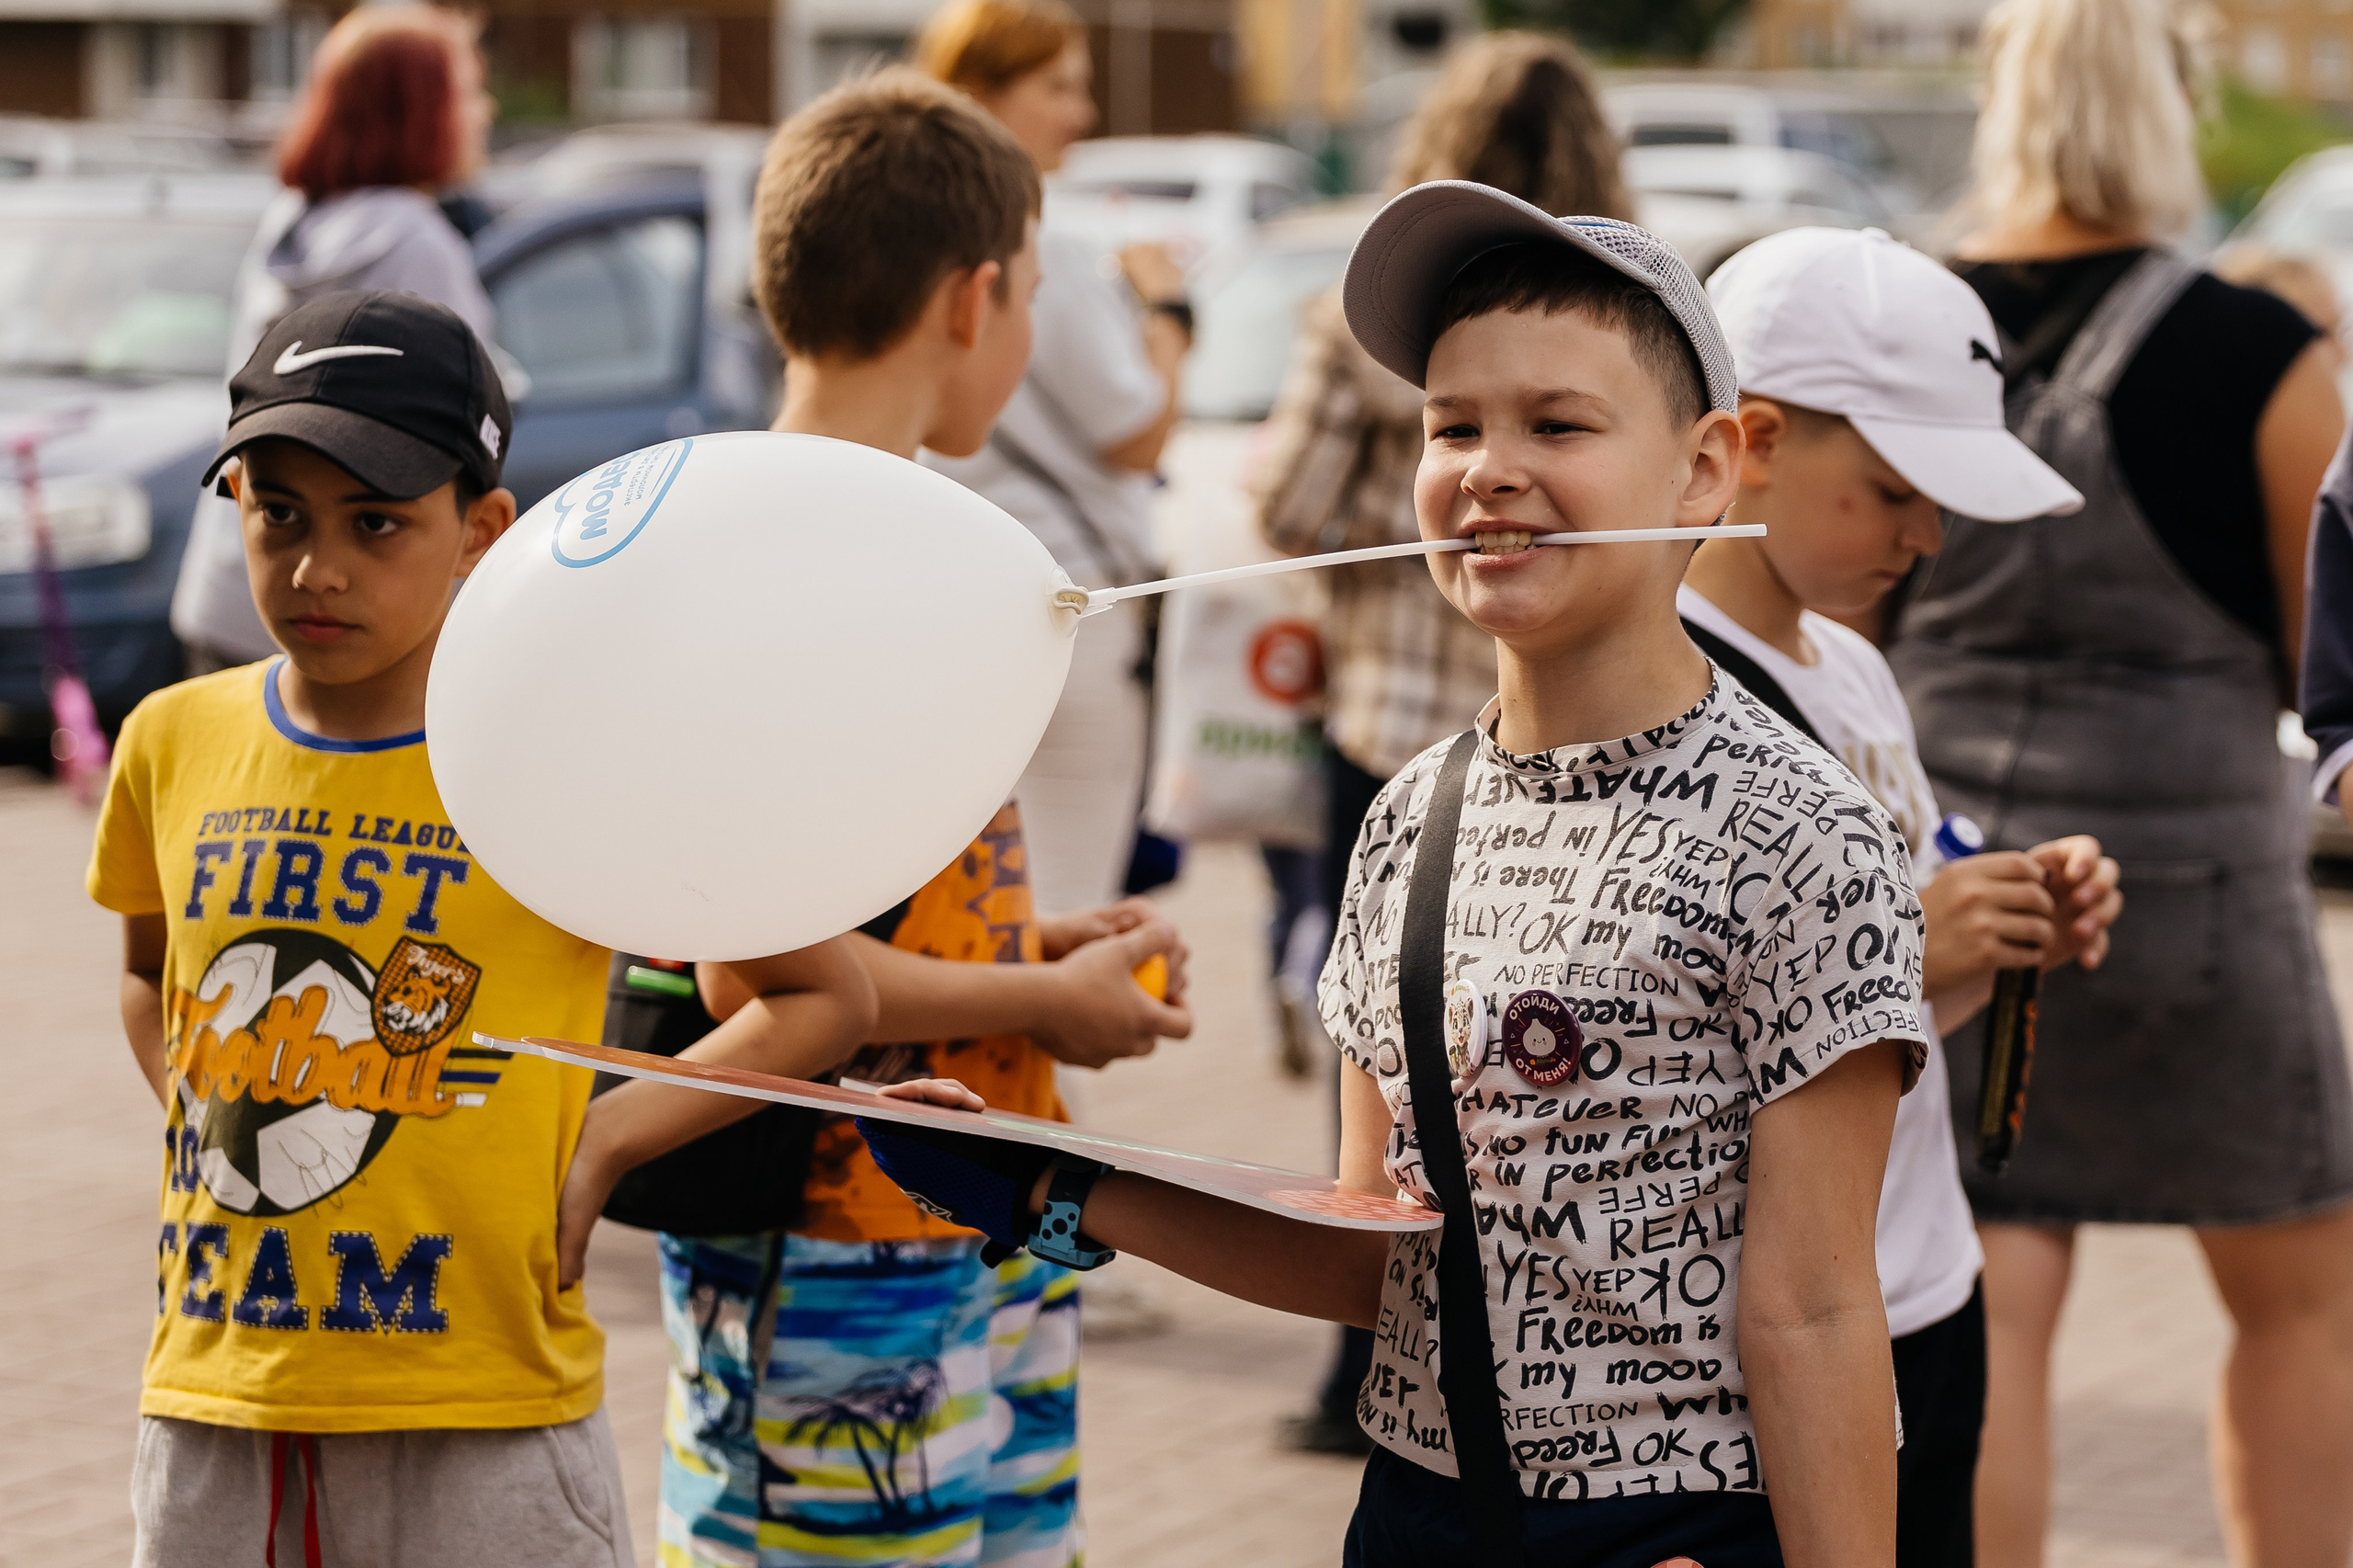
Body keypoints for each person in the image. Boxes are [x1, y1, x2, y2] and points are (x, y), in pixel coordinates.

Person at [861, 189, 1929, 1566]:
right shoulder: (1408, 814)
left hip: (1675, 1533)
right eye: (1451, 427)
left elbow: (1819, 1310)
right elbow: (1378, 1259)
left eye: (1557, 425)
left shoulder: (1800, 830)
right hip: (1419, 1519)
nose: (1488, 467)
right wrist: (1040, 1181)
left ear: (1706, 468)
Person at [86, 289, 875, 1566]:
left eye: (377, 521)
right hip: (219, 1400)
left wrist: (604, 1138)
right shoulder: (172, 742)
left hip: (487, 1409)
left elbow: (823, 995)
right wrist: (202, 1097)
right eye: (278, 512)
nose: (316, 567)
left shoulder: (557, 760)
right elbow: (145, 969)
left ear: (481, 527)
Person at [606, 72, 1195, 1568]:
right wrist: (1036, 996)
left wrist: (1032, 949)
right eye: (1037, 297)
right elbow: (759, 980)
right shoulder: (792, 565)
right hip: (836, 1245)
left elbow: (858, 904)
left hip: (970, 1219)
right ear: (973, 297)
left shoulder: (896, 549)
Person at [1882, 2, 2353, 1564]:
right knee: (2300, 1306)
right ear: (2175, 108)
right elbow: (2327, 655)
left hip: (1961, 886)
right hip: (2208, 900)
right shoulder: (2262, 355)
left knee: (1995, 1295)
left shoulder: (1910, 331)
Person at [1682, 225, 2123, 1566]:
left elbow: (1904, 982)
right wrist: (1909, 949)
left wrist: (2005, 923)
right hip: (1790, 1317)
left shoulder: (1855, 670)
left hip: (1924, 1281)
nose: (1928, 536)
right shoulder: (1663, 692)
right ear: (1750, 439)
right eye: (1891, 489)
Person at [1250, 28, 1634, 1455]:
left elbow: (1283, 507)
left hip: (1388, 731)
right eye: (1452, 430)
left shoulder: (1352, 332)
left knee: (1394, 1065)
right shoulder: (1623, 319)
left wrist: (1430, 530)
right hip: (1570, 752)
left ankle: (1363, 1362)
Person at [915, 0, 1193, 919]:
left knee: (965, 910)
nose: (1080, 113)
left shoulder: (905, 238)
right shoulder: (1051, 250)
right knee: (1059, 912)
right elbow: (1137, 432)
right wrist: (1168, 313)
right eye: (1058, 86)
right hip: (1064, 604)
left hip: (948, 597)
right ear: (981, 94)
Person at [173, 4, 499, 674]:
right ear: (420, 109)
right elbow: (451, 435)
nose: (483, 110)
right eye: (467, 91)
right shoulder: (417, 246)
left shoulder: (292, 221)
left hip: (239, 585)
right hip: (349, 615)